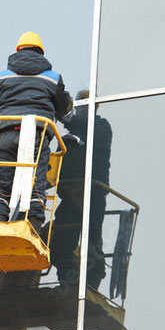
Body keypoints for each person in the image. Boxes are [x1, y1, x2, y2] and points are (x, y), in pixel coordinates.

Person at [0, 31, 72, 234]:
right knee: (35, 181)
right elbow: (64, 106)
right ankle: (34, 229)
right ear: (41, 52)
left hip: (5, 133)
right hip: (36, 135)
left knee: (0, 184)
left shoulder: (0, 77)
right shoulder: (53, 78)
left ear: (18, 51)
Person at [50, 90, 113, 289]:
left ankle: (91, 283)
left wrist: (64, 116)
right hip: (69, 195)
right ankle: (68, 281)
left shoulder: (101, 128)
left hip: (92, 194)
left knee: (92, 240)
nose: (83, 108)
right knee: (60, 240)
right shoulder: (70, 138)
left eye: (87, 104)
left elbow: (88, 129)